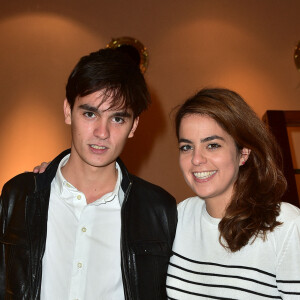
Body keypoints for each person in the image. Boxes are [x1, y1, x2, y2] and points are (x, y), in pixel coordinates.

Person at [0, 48, 177, 300]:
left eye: (117, 118)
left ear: (133, 126)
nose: (101, 132)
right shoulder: (18, 195)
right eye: (90, 113)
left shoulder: (159, 210)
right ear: (67, 111)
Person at [166, 88, 300, 299]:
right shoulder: (178, 216)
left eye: (212, 145)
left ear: (243, 153)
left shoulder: (287, 226)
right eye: (186, 147)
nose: (196, 159)